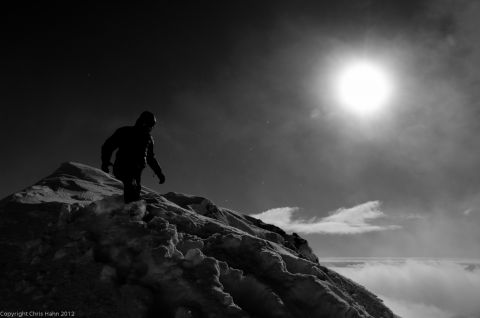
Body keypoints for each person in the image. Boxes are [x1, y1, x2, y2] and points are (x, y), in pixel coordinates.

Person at [101, 111, 166, 203]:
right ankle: (131, 212)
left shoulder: (148, 139)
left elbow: (150, 158)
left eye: (152, 125)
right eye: (149, 124)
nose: (150, 127)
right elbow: (108, 146)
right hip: (123, 166)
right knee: (131, 187)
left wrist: (159, 173)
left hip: (136, 171)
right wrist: (105, 161)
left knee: (135, 190)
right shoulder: (125, 131)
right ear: (143, 122)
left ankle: (128, 211)